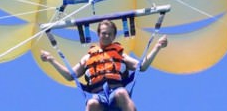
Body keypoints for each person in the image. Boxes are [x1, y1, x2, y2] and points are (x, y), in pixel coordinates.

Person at [40, 19, 168, 111]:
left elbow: (142, 66)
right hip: (99, 97)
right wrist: (51, 60)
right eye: (103, 33)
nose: (106, 36)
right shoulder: (88, 57)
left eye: (109, 33)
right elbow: (70, 75)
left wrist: (157, 47)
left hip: (117, 95)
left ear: (113, 36)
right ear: (99, 34)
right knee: (91, 104)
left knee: (122, 93)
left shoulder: (121, 55)